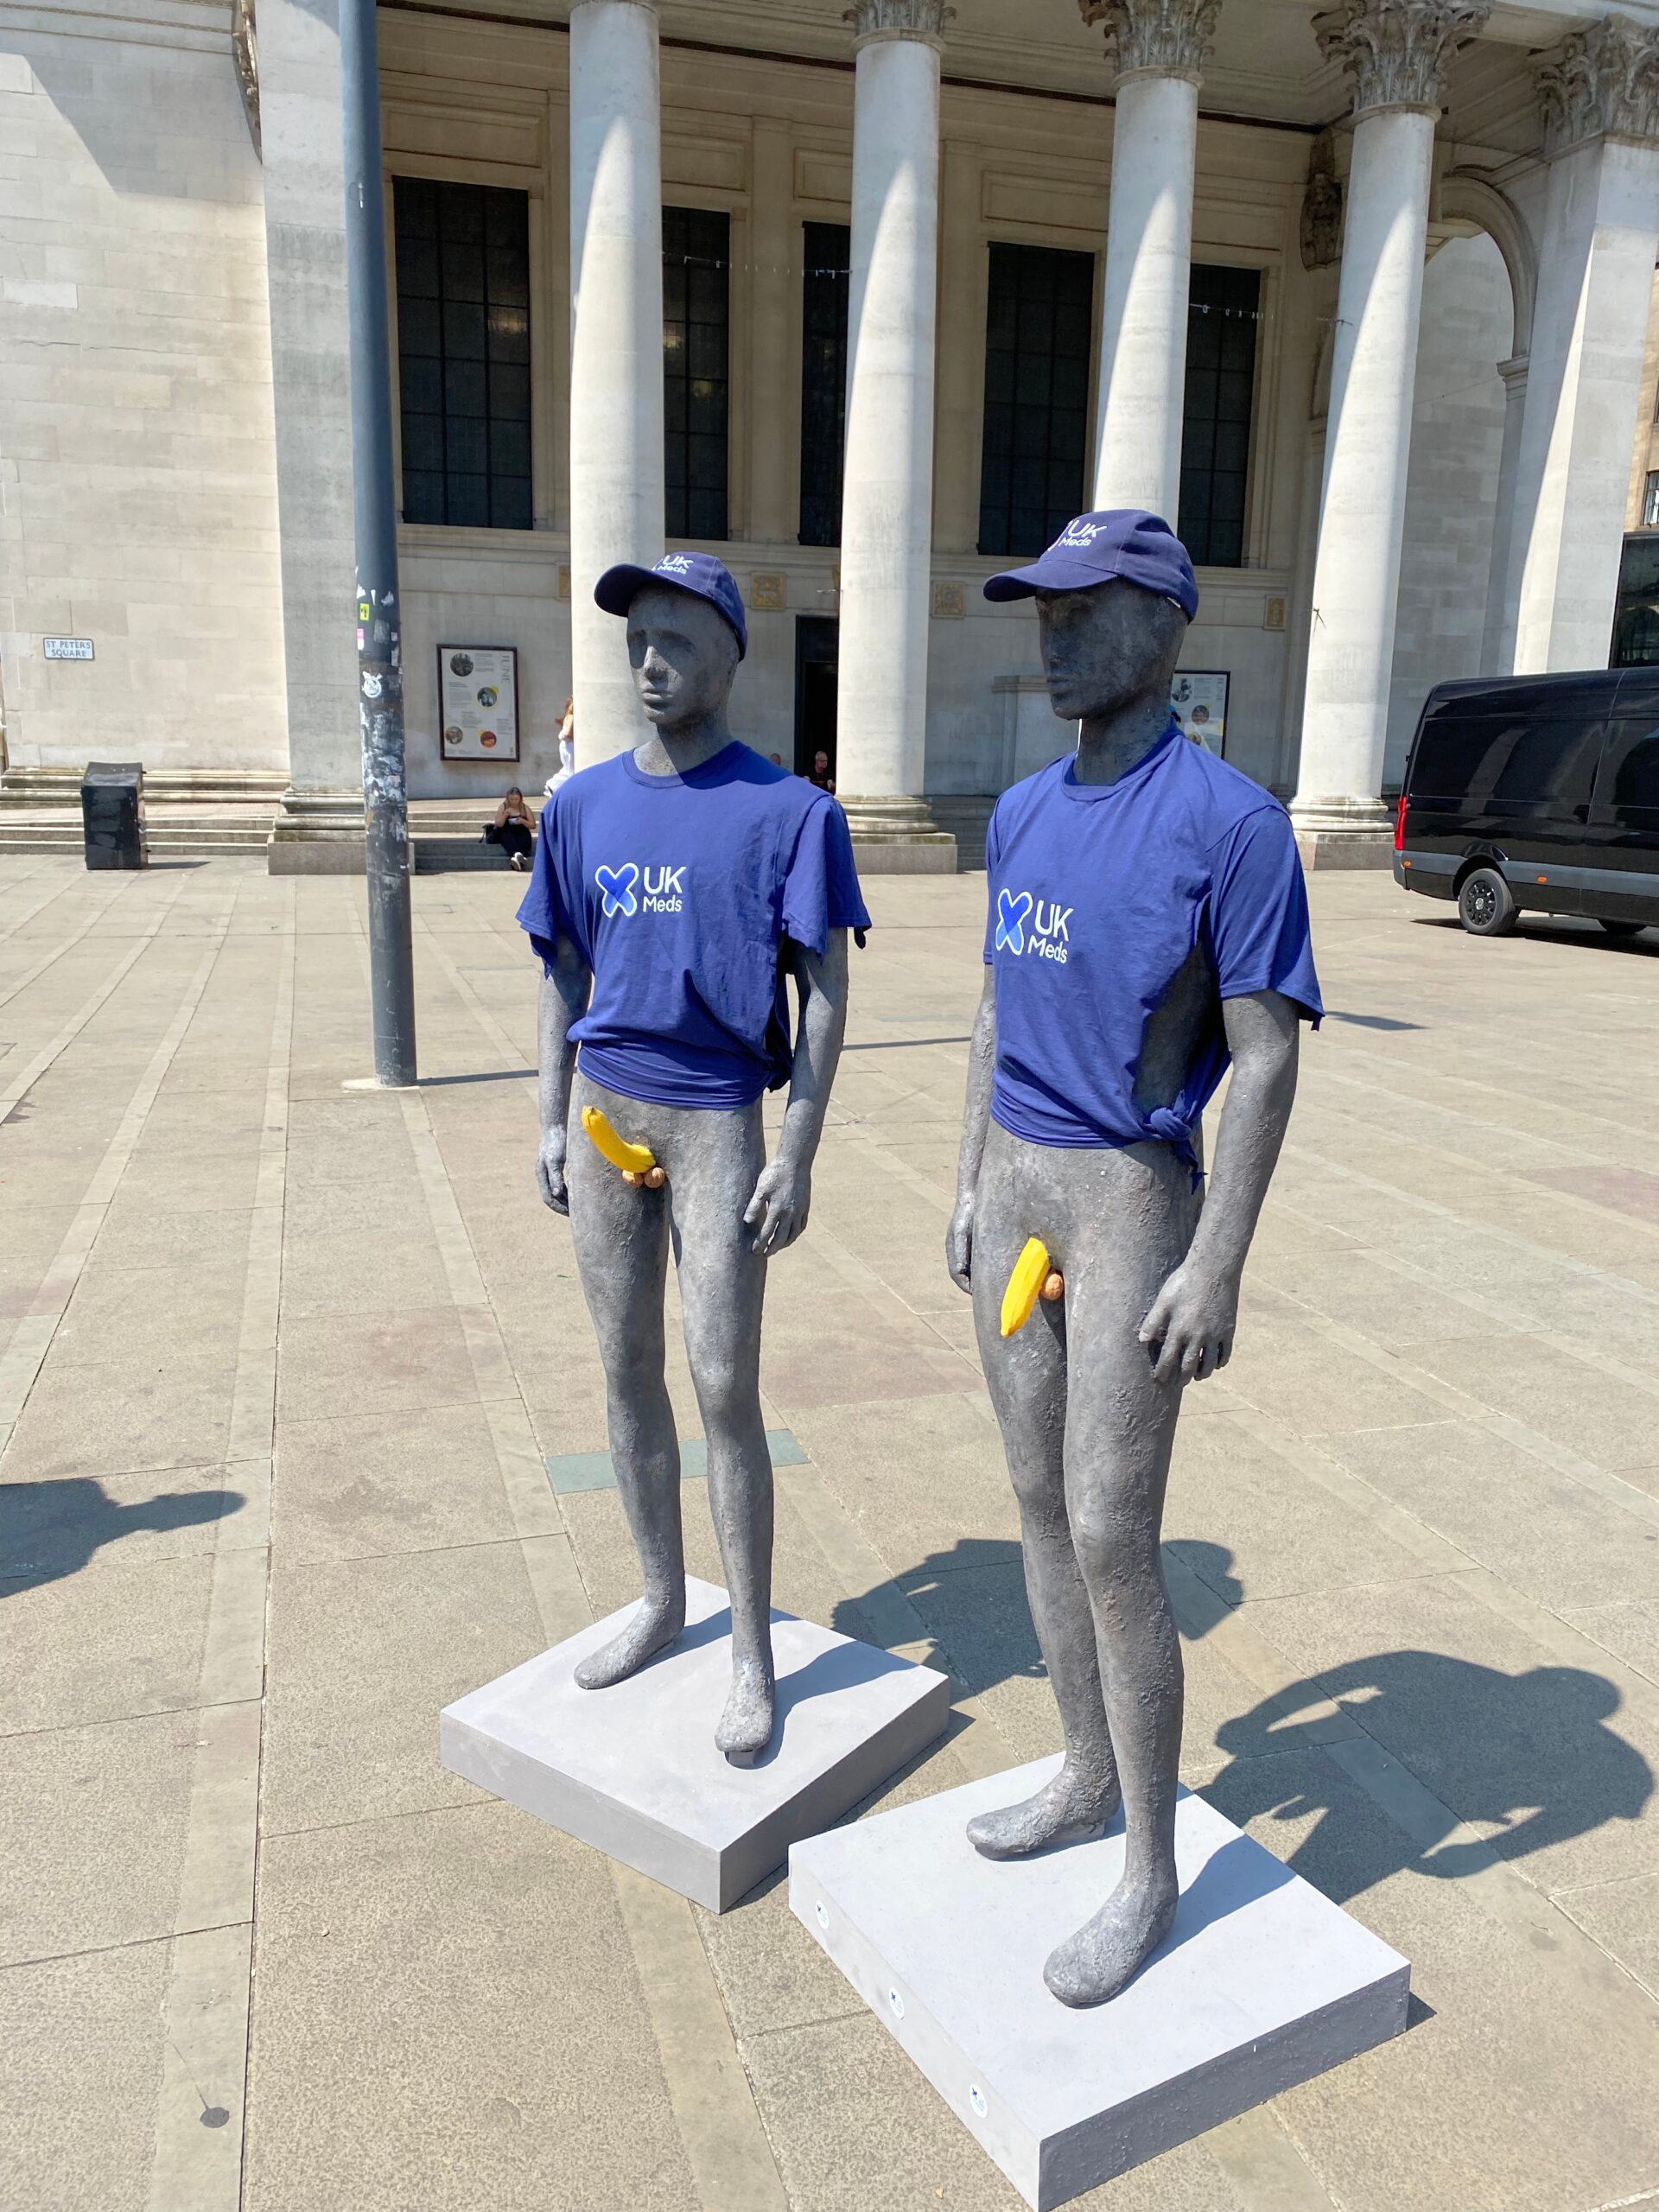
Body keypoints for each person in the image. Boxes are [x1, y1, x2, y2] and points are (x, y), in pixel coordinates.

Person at [947, 509, 1321, 2006]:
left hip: (1128, 1193)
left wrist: (1218, 1260)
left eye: (1085, 609)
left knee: (1112, 1531)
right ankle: (1085, 1771)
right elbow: (990, 1005)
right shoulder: (1024, 809)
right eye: (1043, 607)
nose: (1052, 633)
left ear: (1164, 625)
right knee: (1036, 1501)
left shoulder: (1229, 821)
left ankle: (1152, 1872)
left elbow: (1268, 1055)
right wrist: (966, 1177)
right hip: (1021, 1180)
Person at [519, 550, 870, 1764]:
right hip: (608, 1109)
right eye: (635, 643)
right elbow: (567, 967)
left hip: (718, 1116)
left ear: (732, 652)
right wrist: (546, 1112)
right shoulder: (578, 808)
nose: (649, 663)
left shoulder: (791, 814)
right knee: (623, 1372)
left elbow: (825, 990)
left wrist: (803, 1148)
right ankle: (662, 1598)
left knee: (722, 1383)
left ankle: (752, 1651)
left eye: (675, 640)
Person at [487, 786, 536, 872]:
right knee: (507, 836)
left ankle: (516, 858)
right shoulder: (503, 806)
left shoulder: (525, 808)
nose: (514, 802)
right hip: (507, 831)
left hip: (521, 831)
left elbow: (532, 825)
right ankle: (518, 856)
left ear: (520, 799)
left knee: (524, 837)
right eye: (511, 799)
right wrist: (505, 815)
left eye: (516, 799)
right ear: (508, 798)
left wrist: (523, 821)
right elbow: (498, 824)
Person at [545, 698, 576, 799]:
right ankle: (554, 785)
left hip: (566, 744)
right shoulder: (571, 716)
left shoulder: (567, 716)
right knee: (572, 771)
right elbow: (568, 732)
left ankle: (555, 786)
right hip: (570, 745)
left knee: (569, 769)